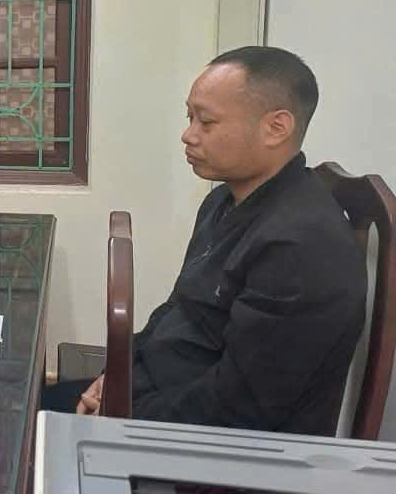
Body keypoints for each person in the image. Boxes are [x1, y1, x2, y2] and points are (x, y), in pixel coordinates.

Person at [43, 46, 367, 436]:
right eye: (189, 117)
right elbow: (178, 309)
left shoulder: (300, 249)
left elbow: (239, 408)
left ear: (276, 128)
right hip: (162, 389)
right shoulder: (224, 200)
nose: (188, 135)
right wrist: (114, 375)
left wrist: (122, 416)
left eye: (207, 122)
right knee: (22, 406)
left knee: (19, 427)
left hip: (221, 445)